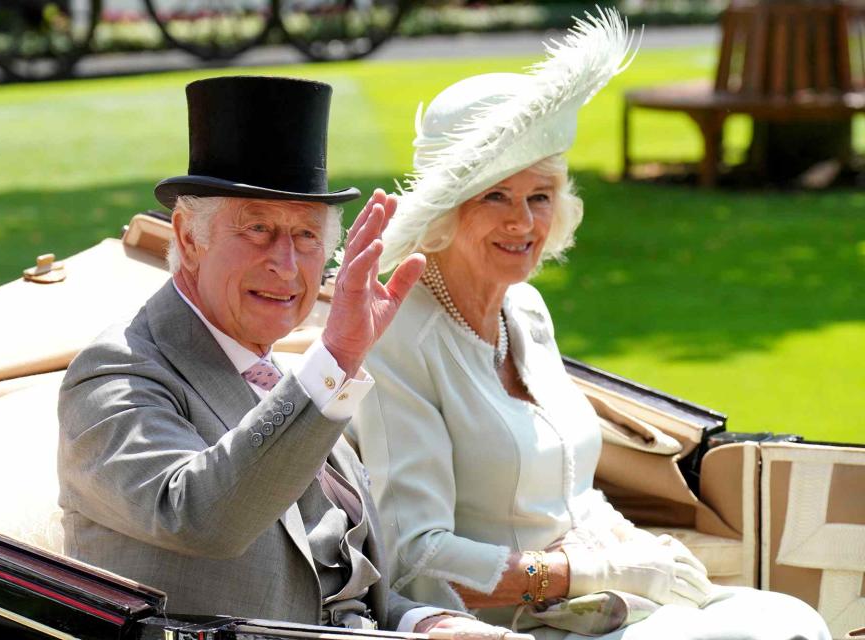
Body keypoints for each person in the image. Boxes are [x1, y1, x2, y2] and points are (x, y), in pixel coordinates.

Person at [348, 10, 831, 640]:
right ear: (444, 213)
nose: (523, 223)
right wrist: (592, 568)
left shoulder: (524, 311)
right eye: (496, 196)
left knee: (792, 619)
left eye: (539, 196)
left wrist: (646, 556)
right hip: (501, 624)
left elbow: (570, 490)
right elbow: (416, 558)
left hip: (598, 607)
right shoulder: (398, 339)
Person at [57, 75, 503, 635]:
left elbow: (347, 590)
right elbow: (202, 518)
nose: (287, 266)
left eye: (307, 237)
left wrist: (425, 623)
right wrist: (336, 356)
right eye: (259, 229)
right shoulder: (117, 373)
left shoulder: (286, 377)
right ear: (189, 238)